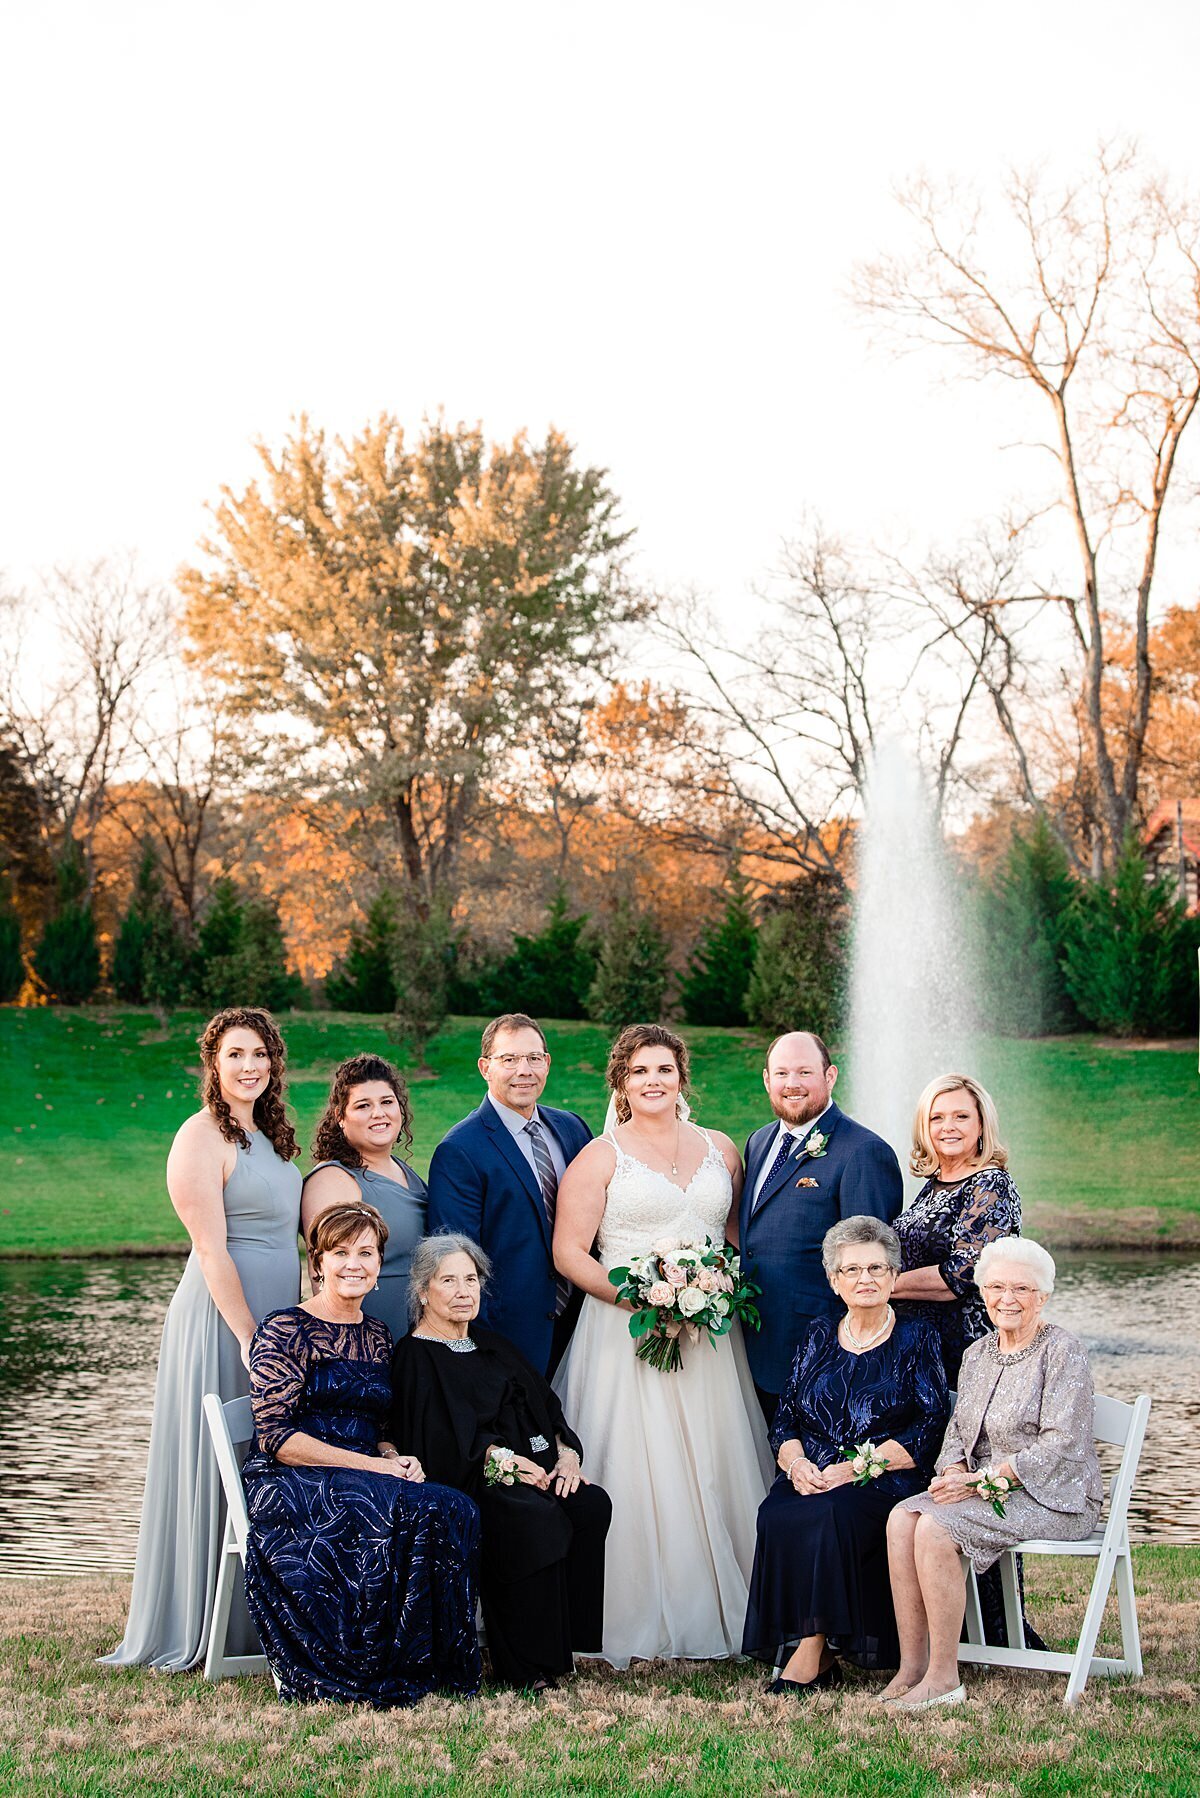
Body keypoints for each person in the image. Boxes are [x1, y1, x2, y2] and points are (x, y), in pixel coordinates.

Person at [552, 1023, 775, 1666]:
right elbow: (569, 1252)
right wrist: (641, 1300)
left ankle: (737, 1602)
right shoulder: (600, 1156)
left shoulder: (721, 1150)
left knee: (716, 1453)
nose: (654, 1081)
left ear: (682, 1077)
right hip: (627, 1333)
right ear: (621, 1081)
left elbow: (736, 1238)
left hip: (708, 1333)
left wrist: (714, 1291)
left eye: (665, 1069)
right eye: (640, 1071)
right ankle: (633, 1605)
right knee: (636, 1459)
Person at [102, 1008, 303, 1673]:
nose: (250, 1067)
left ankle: (260, 1623)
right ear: (213, 1064)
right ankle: (192, 1620)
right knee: (220, 1454)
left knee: (266, 1457)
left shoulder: (271, 1137)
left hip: (277, 1315)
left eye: (261, 1055)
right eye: (236, 1054)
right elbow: (212, 1250)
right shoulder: (200, 1136)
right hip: (223, 1318)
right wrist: (250, 1337)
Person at [242, 1204, 481, 1707]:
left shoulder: (375, 1334)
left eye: (366, 1253)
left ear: (378, 1265)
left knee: (450, 1504)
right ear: (318, 1262)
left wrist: (396, 1455)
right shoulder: (285, 1329)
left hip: (365, 1468)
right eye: (341, 1252)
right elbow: (275, 1437)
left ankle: (427, 1660)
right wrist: (373, 1466)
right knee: (390, 1506)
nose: (355, 1263)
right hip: (294, 1479)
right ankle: (364, 1662)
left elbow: (379, 1425)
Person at [884, 1237, 1103, 1711]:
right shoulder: (978, 1354)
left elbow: (1061, 1444)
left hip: (1055, 1497)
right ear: (982, 1292)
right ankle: (912, 1667)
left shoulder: (1062, 1350)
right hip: (986, 1491)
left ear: (1042, 1295)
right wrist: (953, 1469)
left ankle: (944, 1678)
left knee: (938, 1528)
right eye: (997, 1286)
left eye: (1021, 1288)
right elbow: (958, 1432)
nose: (1007, 1298)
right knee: (903, 1518)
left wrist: (984, 1480)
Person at [390, 1234, 612, 1692]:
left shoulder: (494, 1345)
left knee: (590, 1504)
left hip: (539, 1469)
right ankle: (525, 1665)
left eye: (470, 1279)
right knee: (532, 1517)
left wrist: (567, 1457)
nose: (462, 1291)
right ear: (422, 1291)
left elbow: (548, 1410)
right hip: (472, 1481)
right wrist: (507, 1464)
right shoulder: (415, 1357)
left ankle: (563, 1645)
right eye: (447, 1280)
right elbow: (437, 1441)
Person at [742, 1218, 948, 1693]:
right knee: (778, 1511)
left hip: (883, 1478)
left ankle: (812, 1651)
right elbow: (786, 1418)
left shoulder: (917, 1339)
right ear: (834, 1282)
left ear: (895, 1277)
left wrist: (857, 1468)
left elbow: (929, 1426)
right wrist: (796, 1466)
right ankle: (815, 1650)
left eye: (877, 1268)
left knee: (833, 1512)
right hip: (812, 1471)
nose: (865, 1279)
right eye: (851, 1270)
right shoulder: (816, 1335)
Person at [740, 1031, 904, 1425]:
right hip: (750, 1339)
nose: (791, 1084)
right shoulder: (759, 1142)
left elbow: (870, 1267)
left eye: (804, 1072)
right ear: (766, 1080)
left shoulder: (863, 1151)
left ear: (829, 1076)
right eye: (781, 1073)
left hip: (819, 1349)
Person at [426, 1013, 592, 1376]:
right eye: (510, 1059)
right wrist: (484, 1348)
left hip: (582, 1326)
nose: (525, 1070)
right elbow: (455, 1258)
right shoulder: (460, 1149)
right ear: (485, 1067)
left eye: (534, 1058)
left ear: (547, 1063)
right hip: (509, 1337)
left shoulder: (572, 1129)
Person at [891, 1073, 1021, 1384]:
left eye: (961, 1116)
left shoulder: (990, 1183)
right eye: (937, 1117)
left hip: (963, 1356)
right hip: (918, 1351)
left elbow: (963, 1274)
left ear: (980, 1125)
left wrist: (882, 1286)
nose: (948, 1126)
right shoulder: (934, 1185)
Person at [301, 1054, 427, 1342]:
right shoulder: (333, 1179)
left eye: (386, 1102)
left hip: (417, 1339)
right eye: (363, 1106)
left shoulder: (404, 1171)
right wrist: (344, 1350)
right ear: (340, 1117)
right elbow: (324, 1277)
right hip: (365, 1343)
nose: (379, 1113)